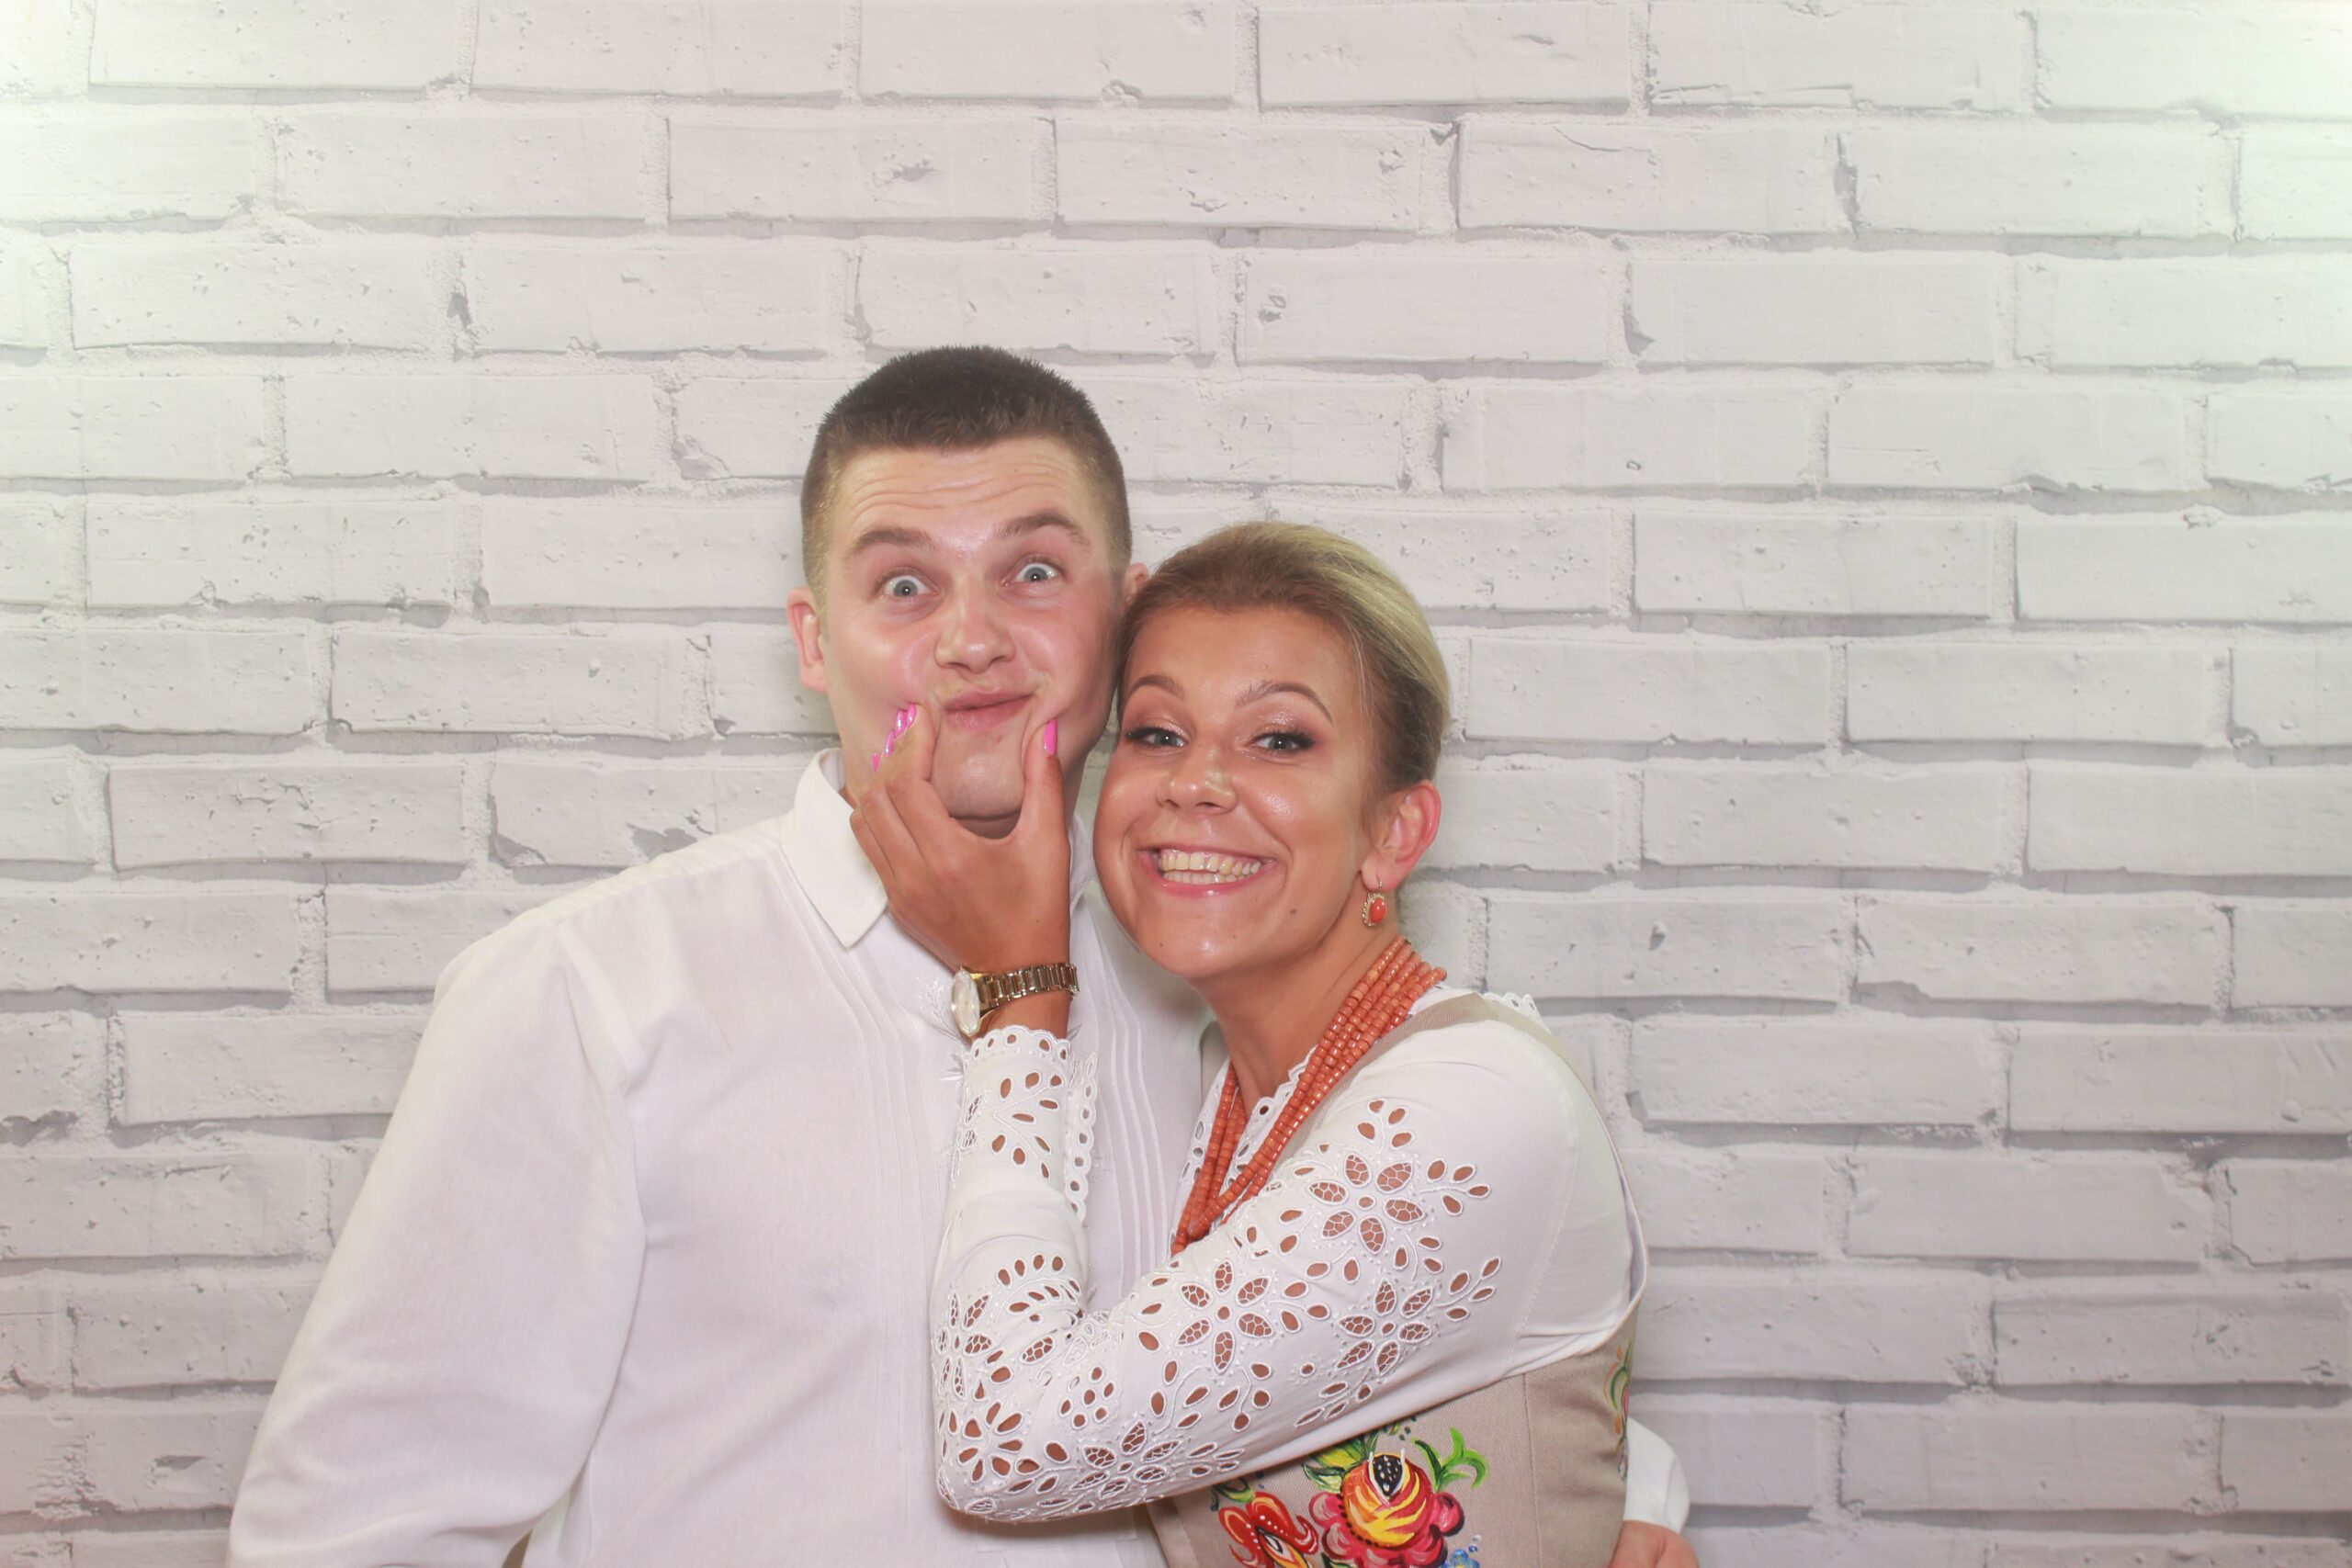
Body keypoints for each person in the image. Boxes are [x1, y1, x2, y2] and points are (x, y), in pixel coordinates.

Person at [226, 349, 1691, 1566]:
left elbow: (1390, 1302)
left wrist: (1627, 1492)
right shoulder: (589, 992)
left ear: (1121, 613)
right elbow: (356, 1527)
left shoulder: (1202, 973)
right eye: (904, 585)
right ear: (815, 641)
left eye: (1035, 572)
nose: (975, 640)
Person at [851, 521, 1662, 1566]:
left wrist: (1019, 994)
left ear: (1394, 833)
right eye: (1156, 732)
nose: (1196, 782)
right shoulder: (1216, 1080)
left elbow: (1004, 1446)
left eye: (1279, 739)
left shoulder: (1472, 1103)